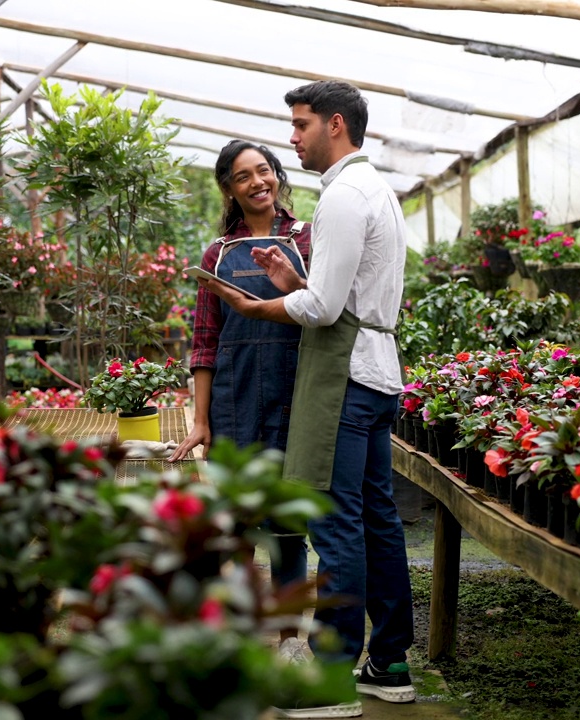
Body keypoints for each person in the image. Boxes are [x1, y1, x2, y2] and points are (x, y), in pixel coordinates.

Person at [195, 81, 414, 718]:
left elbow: (321, 310)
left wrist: (257, 302)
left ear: (335, 125)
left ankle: (332, 678)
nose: (292, 140)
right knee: (377, 519)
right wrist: (294, 280)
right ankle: (389, 661)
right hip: (377, 371)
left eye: (300, 126)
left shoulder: (341, 197)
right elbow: (336, 292)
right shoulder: (378, 189)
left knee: (335, 523)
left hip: (343, 376)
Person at [168, 140, 313, 655]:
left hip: (293, 396)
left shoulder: (305, 241)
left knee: (288, 524)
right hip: (232, 399)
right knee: (239, 525)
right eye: (244, 176)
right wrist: (200, 420)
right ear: (228, 188)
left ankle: (292, 639)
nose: (258, 182)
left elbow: (321, 317)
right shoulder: (218, 254)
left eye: (265, 171)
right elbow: (204, 343)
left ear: (277, 176)